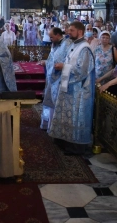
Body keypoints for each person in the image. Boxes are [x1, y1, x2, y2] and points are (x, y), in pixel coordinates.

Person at [48, 21, 95, 155]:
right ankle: (64, 140)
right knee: (66, 115)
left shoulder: (85, 48)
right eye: (69, 30)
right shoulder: (74, 45)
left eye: (72, 30)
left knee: (75, 117)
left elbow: (82, 71)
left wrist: (64, 67)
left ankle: (75, 146)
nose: (69, 32)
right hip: (68, 86)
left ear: (80, 32)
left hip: (79, 90)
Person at [41, 27, 71, 130]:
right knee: (50, 103)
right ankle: (49, 125)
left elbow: (67, 61)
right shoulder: (56, 44)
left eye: (52, 37)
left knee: (56, 104)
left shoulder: (67, 44)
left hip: (59, 79)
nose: (50, 39)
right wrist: (46, 62)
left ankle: (54, 127)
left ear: (58, 35)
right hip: (52, 78)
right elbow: (52, 59)